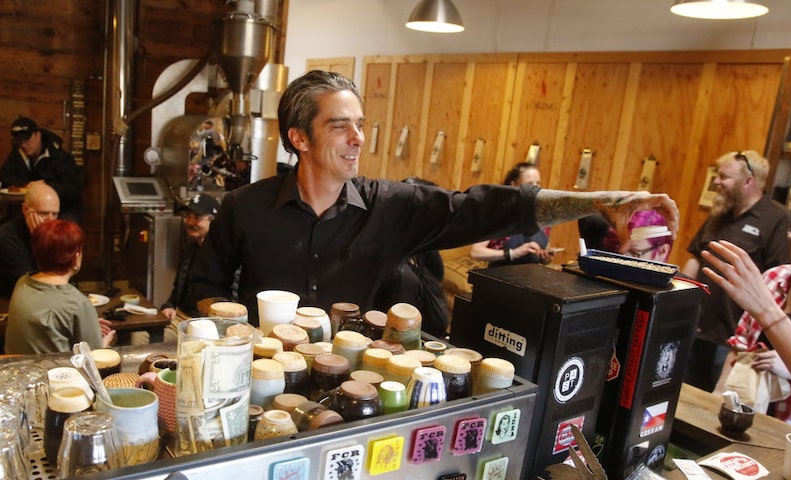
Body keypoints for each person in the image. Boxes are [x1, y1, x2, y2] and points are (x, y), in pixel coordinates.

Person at [191, 70, 678, 326]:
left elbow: (485, 207)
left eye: (361, 125)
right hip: (261, 382)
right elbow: (201, 289)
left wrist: (599, 200)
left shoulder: (392, 207)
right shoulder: (245, 208)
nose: (358, 138)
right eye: (341, 127)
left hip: (360, 384)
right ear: (299, 138)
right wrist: (234, 324)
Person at [709, 196, 791, 435]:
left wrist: (790, 367)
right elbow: (741, 343)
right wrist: (718, 395)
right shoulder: (774, 278)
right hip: (746, 415)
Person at [681, 150, 791, 391]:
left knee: (717, 406)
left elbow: (781, 282)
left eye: (724, 177)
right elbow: (695, 259)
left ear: (748, 182)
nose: (717, 182)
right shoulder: (719, 214)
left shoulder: (777, 219)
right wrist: (680, 302)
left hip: (734, 341)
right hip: (697, 328)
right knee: (685, 398)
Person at [4, 219, 114, 354]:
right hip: (53, 374)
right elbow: (94, 359)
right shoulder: (78, 303)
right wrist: (105, 343)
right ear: (75, 257)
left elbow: (45, 322)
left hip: (16, 369)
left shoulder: (23, 282)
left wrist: (88, 323)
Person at [373, 177, 450, 337]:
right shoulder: (399, 271)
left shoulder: (423, 251)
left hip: (430, 337)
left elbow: (437, 281)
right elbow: (400, 333)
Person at [0, 117, 83, 222]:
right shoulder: (18, 153)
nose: (23, 145)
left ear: (38, 135)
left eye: (27, 139)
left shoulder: (60, 157)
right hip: (25, 211)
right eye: (19, 141)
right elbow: (5, 177)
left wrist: (43, 187)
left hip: (60, 211)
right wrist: (28, 185)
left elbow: (72, 189)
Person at [469, 163, 552, 266]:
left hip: (530, 278)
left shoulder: (543, 218)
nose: (536, 188)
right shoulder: (498, 214)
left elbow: (544, 252)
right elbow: (476, 252)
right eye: (530, 184)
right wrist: (514, 253)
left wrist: (545, 256)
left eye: (538, 183)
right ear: (514, 185)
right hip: (499, 278)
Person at [160, 193, 219, 321]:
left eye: (197, 217)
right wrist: (169, 305)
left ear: (213, 220)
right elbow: (178, 288)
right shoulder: (190, 249)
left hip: (208, 322)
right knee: (140, 337)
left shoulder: (223, 254)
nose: (190, 222)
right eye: (188, 216)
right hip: (180, 315)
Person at [0, 180, 60, 298]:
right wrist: (40, 241)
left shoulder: (52, 232)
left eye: (55, 214)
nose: (51, 220)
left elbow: (62, 276)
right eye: (43, 213)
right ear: (25, 210)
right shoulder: (7, 238)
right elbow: (33, 285)